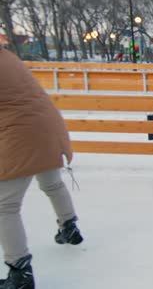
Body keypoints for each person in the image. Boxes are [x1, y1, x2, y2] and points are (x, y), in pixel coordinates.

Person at [0, 47, 83, 289]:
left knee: (5, 205)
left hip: (20, 133)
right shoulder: (7, 57)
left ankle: (20, 271)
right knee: (52, 183)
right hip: (47, 126)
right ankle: (69, 227)